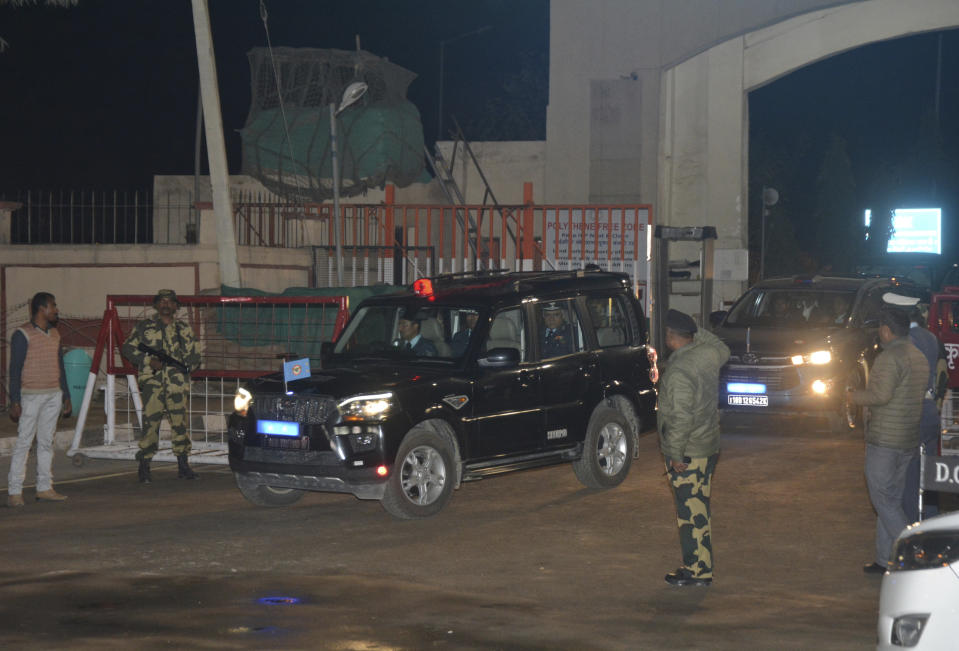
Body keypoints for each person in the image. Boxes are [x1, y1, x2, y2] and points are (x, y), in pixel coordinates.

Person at [847, 308, 928, 574]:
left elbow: (879, 396)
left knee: (883, 500)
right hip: (907, 439)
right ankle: (885, 560)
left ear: (885, 330)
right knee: (890, 499)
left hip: (885, 440)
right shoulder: (918, 356)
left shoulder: (889, 357)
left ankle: (918, 553)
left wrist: (852, 396)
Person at [657, 309, 730, 586]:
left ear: (670, 337)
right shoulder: (708, 355)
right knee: (700, 508)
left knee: (690, 514)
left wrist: (675, 455)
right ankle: (702, 567)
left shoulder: (679, 370)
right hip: (708, 444)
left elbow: (680, 418)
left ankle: (697, 570)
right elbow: (721, 346)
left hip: (689, 451)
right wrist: (695, 329)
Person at [121, 289, 201, 483]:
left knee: (180, 424)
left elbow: (195, 356)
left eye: (170, 301)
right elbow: (128, 348)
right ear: (156, 305)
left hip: (176, 385)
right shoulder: (143, 327)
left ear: (175, 306)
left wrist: (186, 368)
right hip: (153, 383)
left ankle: (183, 465)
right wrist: (148, 360)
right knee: (150, 424)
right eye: (162, 301)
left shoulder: (184, 329)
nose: (166, 304)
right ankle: (144, 466)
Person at [6, 292, 72, 507]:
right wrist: (15, 400)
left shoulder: (54, 334)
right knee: (24, 443)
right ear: (42, 308)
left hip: (53, 394)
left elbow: (60, 366)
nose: (56, 310)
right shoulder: (22, 334)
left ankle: (44, 487)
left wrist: (66, 395)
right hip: (31, 396)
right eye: (53, 306)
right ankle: (14, 491)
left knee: (46, 442)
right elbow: (14, 369)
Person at [886, 297, 946, 521]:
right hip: (931, 411)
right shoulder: (931, 337)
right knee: (928, 472)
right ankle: (931, 519)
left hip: (913, 412)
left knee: (908, 477)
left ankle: (913, 528)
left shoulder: (906, 341)